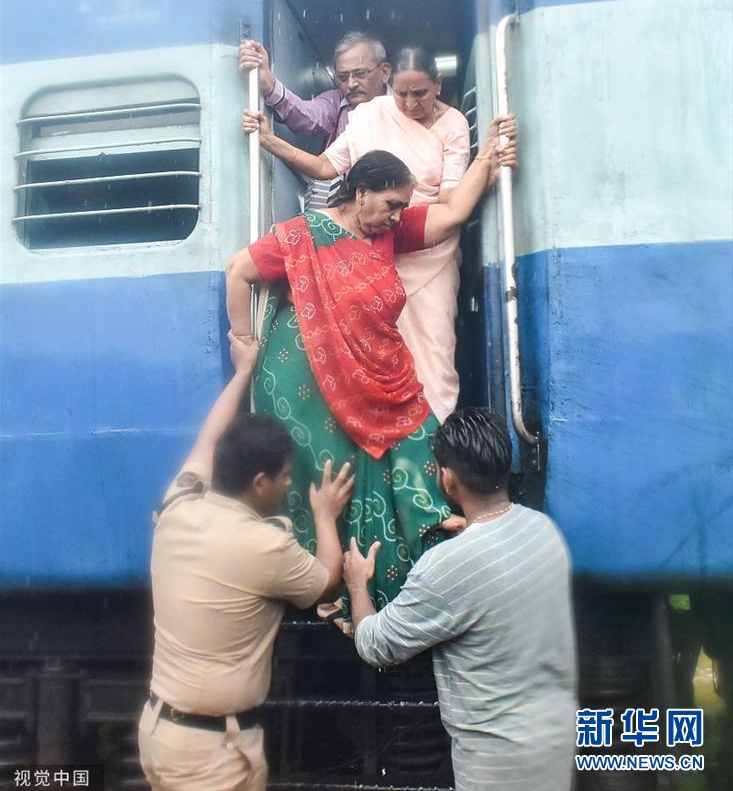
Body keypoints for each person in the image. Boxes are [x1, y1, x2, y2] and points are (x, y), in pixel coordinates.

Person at [226, 120, 516, 618]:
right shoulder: (302, 236)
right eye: (391, 204)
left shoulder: (387, 231)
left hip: (378, 372)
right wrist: (243, 343)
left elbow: (452, 214)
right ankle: (332, 587)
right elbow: (239, 270)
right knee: (331, 476)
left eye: (403, 206)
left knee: (419, 436)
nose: (397, 215)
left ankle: (419, 545)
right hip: (304, 378)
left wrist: (488, 153)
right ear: (361, 193)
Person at [138, 333, 355, 791]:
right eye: (284, 476)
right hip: (212, 754)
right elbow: (326, 582)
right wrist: (324, 516)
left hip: (162, 734)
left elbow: (208, 439)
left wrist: (242, 372)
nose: (290, 481)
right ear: (260, 483)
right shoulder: (262, 546)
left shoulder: (179, 505)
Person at [343, 408, 577, 791]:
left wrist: (356, 584)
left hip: (496, 767)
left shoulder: (446, 567)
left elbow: (374, 645)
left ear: (447, 478)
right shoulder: (543, 530)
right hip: (554, 743)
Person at [242, 47, 470, 422]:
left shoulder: (455, 123)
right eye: (401, 94)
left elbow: (451, 199)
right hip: (374, 250)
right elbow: (324, 166)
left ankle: (434, 438)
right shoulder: (369, 116)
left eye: (420, 94)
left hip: (430, 245)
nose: (409, 104)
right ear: (390, 84)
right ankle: (382, 435)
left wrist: (488, 164)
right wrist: (269, 140)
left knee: (435, 352)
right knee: (375, 351)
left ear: (438, 86)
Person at [239, 31, 392, 209]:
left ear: (385, 72)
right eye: (343, 77)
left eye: (360, 74)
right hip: (337, 216)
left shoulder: (404, 108)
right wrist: (268, 84)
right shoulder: (336, 101)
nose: (351, 84)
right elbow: (307, 116)